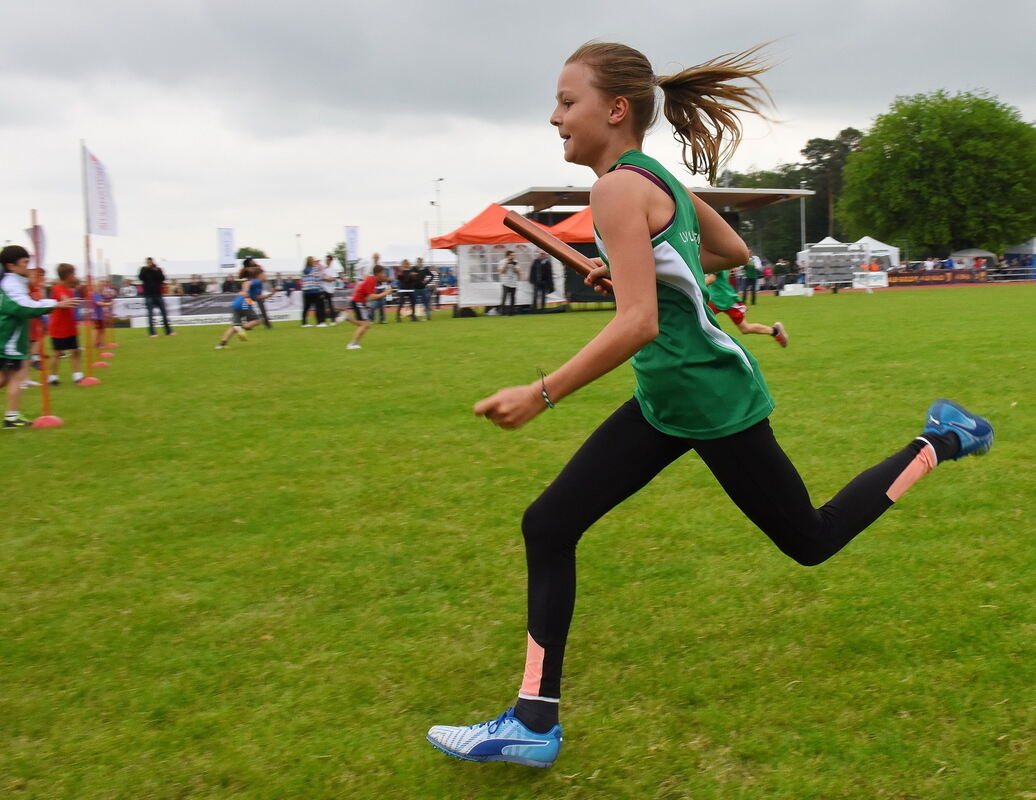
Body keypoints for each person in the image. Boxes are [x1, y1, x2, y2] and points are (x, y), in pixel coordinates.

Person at [425, 41, 994, 769]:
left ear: (615, 109)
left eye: (568, 103)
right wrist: (632, 265)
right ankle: (533, 722)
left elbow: (640, 323)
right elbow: (727, 253)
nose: (555, 117)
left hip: (710, 398)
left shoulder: (614, 190)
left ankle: (939, 440)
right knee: (549, 524)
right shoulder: (651, 179)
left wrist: (541, 393)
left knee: (811, 540)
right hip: (668, 399)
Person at [0, 246, 79, 427]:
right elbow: (24, 307)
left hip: (8, 338)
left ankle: (12, 417)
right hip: (8, 340)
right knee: (16, 377)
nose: (28, 267)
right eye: (25, 263)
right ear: (11, 266)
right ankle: (11, 417)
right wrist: (57, 305)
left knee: (4, 378)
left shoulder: (13, 281)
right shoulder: (10, 284)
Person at [705, 271, 787, 346]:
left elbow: (711, 279)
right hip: (715, 299)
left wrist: (695, 286)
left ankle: (775, 331)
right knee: (700, 320)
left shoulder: (715, 260)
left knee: (745, 329)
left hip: (727, 300)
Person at [47, 264, 85, 385]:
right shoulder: (57, 288)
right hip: (58, 327)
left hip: (70, 327)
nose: (75, 276)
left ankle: (77, 376)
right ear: (68, 275)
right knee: (57, 352)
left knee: (75, 351)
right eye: (73, 274)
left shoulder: (70, 289)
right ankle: (52, 377)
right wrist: (70, 300)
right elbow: (64, 300)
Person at [345, 266, 393, 350]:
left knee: (366, 325)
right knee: (365, 325)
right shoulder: (371, 280)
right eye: (383, 273)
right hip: (358, 302)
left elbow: (367, 296)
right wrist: (385, 293)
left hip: (359, 302)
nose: (384, 274)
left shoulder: (373, 280)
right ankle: (352, 344)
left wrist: (366, 305)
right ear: (378, 273)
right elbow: (371, 297)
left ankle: (347, 318)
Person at [214, 280, 264, 349]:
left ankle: (221, 344)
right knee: (258, 320)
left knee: (234, 326)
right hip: (245, 303)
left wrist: (270, 294)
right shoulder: (256, 283)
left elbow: (258, 297)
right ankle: (241, 329)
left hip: (236, 303)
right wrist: (247, 292)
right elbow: (247, 283)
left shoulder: (251, 289)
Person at [138, 257, 174, 337]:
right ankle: (152, 333)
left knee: (164, 313)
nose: (149, 263)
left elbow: (162, 278)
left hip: (158, 295)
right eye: (148, 262)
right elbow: (140, 277)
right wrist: (147, 269)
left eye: (150, 262)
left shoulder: (157, 269)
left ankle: (168, 331)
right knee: (150, 315)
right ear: (146, 262)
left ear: (153, 262)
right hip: (148, 295)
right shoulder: (143, 269)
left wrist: (156, 270)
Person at [300, 257, 326, 327]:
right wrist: (321, 290)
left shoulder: (303, 270)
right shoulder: (315, 269)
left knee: (306, 308)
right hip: (315, 290)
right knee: (318, 307)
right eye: (314, 261)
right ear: (312, 262)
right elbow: (318, 280)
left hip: (306, 291)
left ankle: (304, 323)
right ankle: (320, 322)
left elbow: (302, 281)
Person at [367, 253, 388, 323]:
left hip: (381, 286)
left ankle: (382, 319)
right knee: (373, 304)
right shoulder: (370, 266)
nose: (376, 258)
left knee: (382, 304)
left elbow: (384, 275)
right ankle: (371, 319)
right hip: (374, 287)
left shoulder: (381, 265)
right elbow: (368, 276)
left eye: (377, 257)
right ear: (373, 258)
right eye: (375, 257)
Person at [498, 250, 520, 315]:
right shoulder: (502, 262)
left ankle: (511, 312)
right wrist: (506, 265)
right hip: (505, 282)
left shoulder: (516, 262)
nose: (513, 256)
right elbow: (501, 271)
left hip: (514, 282)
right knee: (504, 297)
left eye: (514, 255)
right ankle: (502, 312)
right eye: (512, 255)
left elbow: (518, 271)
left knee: (513, 297)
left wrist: (514, 266)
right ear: (507, 256)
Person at [321, 255, 341, 324]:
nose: (327, 261)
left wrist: (325, 278)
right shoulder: (323, 268)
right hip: (323, 289)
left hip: (329, 289)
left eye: (328, 260)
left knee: (330, 305)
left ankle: (333, 320)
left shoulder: (333, 269)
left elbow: (334, 278)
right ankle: (323, 321)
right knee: (322, 305)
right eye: (326, 260)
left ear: (331, 261)